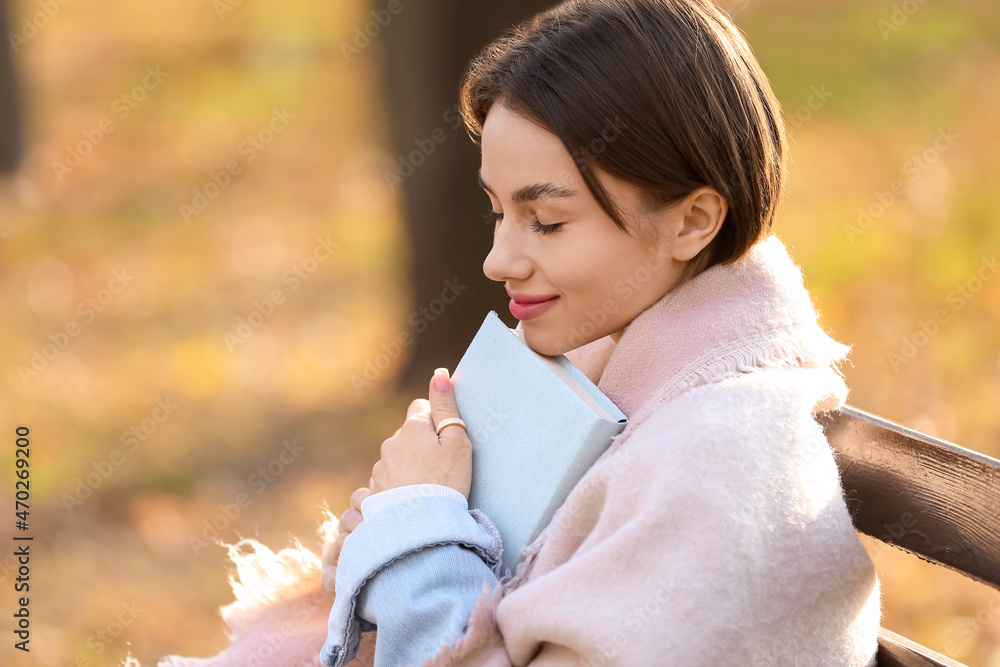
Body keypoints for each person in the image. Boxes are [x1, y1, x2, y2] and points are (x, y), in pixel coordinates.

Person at [158, 1, 881, 665]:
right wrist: (384, 541)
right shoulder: (601, 392)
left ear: (693, 220)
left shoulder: (722, 464)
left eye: (548, 220)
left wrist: (419, 530)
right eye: (498, 211)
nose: (498, 259)